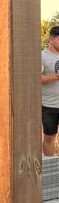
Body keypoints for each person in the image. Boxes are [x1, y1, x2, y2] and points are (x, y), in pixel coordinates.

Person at [43, 26, 59, 155]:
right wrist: (56, 76)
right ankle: (50, 170)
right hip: (49, 106)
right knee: (49, 138)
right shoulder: (42, 56)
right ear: (52, 39)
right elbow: (35, 78)